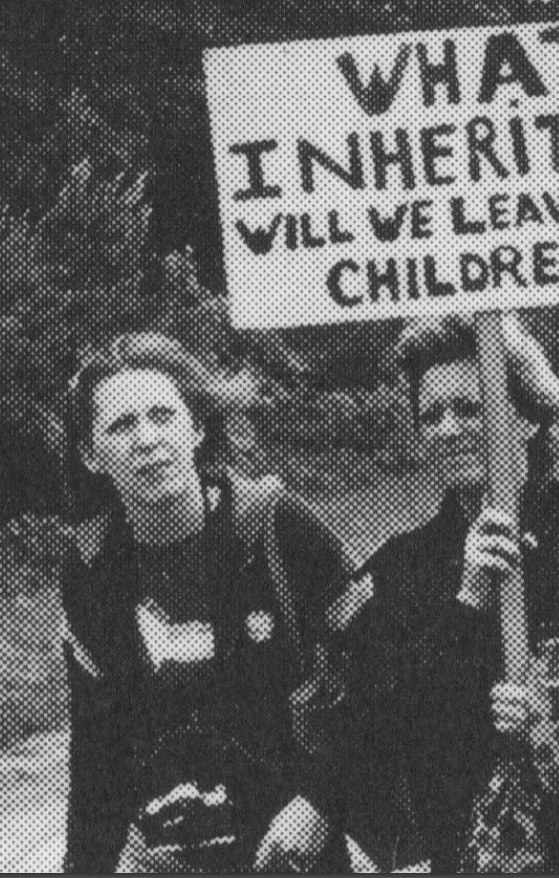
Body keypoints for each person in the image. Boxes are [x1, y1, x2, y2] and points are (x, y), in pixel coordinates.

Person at [258, 313, 559, 873]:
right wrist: (469, 601)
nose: (448, 429)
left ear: (527, 419)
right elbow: (382, 722)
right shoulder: (401, 568)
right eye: (431, 416)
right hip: (465, 850)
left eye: (470, 408)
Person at [59, 332, 352, 874]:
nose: (147, 439)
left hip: (293, 855)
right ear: (90, 453)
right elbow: (96, 752)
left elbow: (376, 681)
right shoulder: (91, 569)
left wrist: (320, 801)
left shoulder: (276, 524)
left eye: (162, 415)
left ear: (195, 427)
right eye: (121, 426)